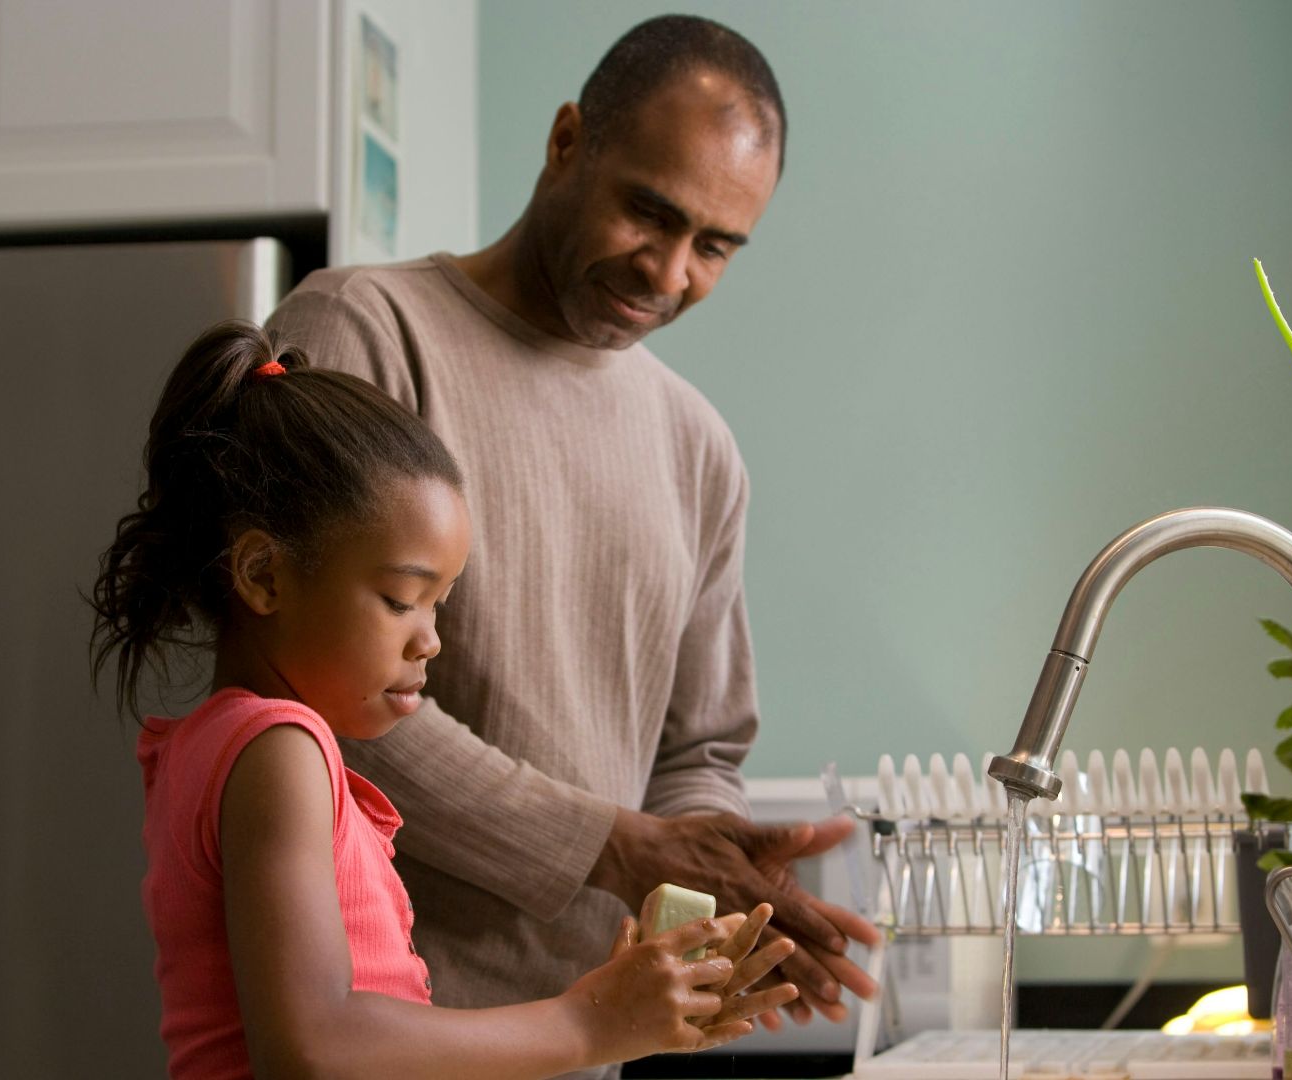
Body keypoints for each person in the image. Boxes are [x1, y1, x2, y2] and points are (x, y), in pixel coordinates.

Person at [263, 13, 880, 1047]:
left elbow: (698, 746)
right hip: (373, 1040)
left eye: (716, 246)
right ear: (565, 144)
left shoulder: (698, 449)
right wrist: (614, 848)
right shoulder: (362, 333)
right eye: (650, 211)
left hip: (586, 1047)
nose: (669, 272)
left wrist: (718, 867)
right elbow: (309, 685)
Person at [90, 321, 799, 1078]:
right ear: (264, 576)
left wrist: (620, 1012)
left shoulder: (226, 744)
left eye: (441, 605)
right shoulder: (277, 751)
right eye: (402, 599)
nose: (429, 640)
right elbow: (315, 1046)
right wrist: (587, 1022)